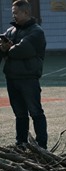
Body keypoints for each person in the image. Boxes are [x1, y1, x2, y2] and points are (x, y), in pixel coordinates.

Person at [0, 0, 47, 149]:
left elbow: (22, 50)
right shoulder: (10, 31)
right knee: (20, 114)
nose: (13, 15)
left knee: (35, 112)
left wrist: (7, 48)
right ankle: (21, 144)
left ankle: (41, 146)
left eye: (16, 12)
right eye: (13, 12)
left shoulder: (37, 32)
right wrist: (3, 48)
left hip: (28, 78)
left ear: (26, 12)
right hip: (12, 78)